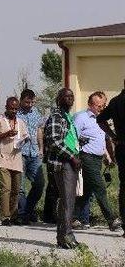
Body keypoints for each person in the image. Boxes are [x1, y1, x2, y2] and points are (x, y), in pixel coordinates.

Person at [73, 92, 122, 231]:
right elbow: (73, 137)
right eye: (98, 105)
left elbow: (101, 140)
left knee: (87, 190)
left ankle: (73, 217)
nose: (101, 108)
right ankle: (111, 220)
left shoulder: (102, 119)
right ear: (90, 104)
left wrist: (107, 156)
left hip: (97, 159)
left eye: (103, 105)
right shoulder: (81, 117)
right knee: (100, 187)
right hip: (85, 156)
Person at [44, 88, 81, 249]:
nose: (70, 99)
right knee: (67, 201)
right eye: (66, 96)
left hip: (70, 162)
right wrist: (71, 156)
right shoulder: (56, 116)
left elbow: (67, 138)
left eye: (71, 96)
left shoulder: (68, 117)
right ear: (58, 99)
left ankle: (62, 237)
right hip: (63, 163)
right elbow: (53, 140)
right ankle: (67, 236)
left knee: (68, 200)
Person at [0, 97, 29, 226]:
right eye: (12, 108)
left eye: (16, 109)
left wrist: (25, 140)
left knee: (16, 189)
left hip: (16, 158)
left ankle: (13, 214)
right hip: (3, 157)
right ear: (6, 107)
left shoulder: (20, 122)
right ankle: (5, 216)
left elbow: (25, 136)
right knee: (6, 189)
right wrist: (6, 134)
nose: (14, 111)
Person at [97, 78, 125, 238]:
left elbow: (100, 120)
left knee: (124, 185)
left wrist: (113, 136)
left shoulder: (115, 102)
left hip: (121, 146)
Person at [16, 89, 45, 225]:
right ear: (21, 100)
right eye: (26, 102)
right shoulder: (16, 113)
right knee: (20, 186)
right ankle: (22, 213)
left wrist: (41, 148)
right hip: (19, 153)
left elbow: (39, 131)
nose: (29, 105)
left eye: (31, 102)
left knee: (39, 184)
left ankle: (28, 209)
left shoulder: (36, 113)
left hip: (34, 153)